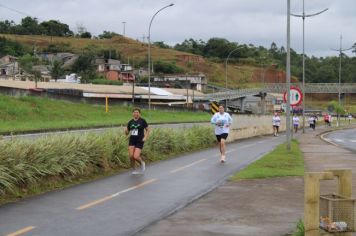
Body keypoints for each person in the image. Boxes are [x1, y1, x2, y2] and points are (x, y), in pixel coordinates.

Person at [125, 108, 149, 175]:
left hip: (140, 140)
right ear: (132, 113)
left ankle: (142, 163)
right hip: (132, 140)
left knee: (136, 156)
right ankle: (134, 169)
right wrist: (126, 132)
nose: (136, 113)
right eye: (134, 112)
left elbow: (148, 130)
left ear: (139, 113)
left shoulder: (142, 121)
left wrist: (145, 137)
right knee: (131, 156)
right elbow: (127, 132)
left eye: (137, 112)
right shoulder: (130, 122)